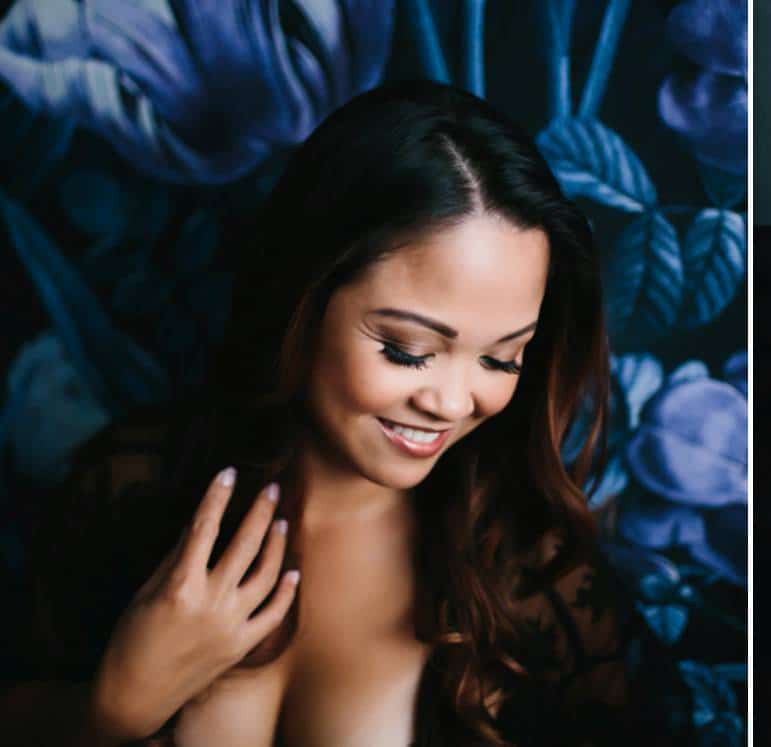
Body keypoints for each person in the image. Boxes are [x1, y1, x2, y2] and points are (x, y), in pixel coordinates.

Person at [1, 80, 648, 745]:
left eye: (501, 359)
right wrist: (111, 708)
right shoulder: (133, 484)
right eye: (407, 349)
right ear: (302, 296)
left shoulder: (534, 578)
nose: (453, 403)